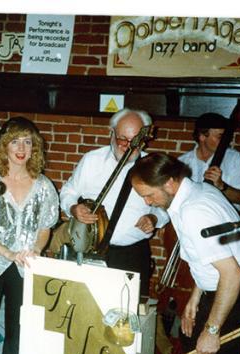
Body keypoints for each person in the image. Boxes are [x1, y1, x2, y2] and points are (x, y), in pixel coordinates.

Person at [129, 152, 240, 354]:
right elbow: (209, 260)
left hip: (237, 294)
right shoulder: (194, 192)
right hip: (222, 289)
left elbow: (232, 274)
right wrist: (194, 297)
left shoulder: (194, 211)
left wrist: (212, 330)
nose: (147, 202)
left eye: (149, 194)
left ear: (169, 182)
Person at [0, 117, 59, 354]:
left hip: (25, 266)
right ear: (4, 145)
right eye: (15, 140)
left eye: (27, 141)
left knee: (17, 332)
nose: (21, 147)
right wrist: (8, 253)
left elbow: (46, 227)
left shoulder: (44, 186)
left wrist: (36, 249)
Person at [59, 108, 167, 299]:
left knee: (126, 314)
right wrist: (73, 208)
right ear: (111, 133)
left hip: (131, 254)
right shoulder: (93, 160)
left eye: (135, 141)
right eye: (122, 139)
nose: (128, 146)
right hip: (90, 251)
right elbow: (68, 191)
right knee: (85, 307)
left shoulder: (152, 167)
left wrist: (154, 217)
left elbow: (168, 207)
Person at [177, 112, 240, 206]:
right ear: (202, 137)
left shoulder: (234, 158)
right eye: (220, 137)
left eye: (226, 137)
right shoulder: (182, 162)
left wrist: (222, 186)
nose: (225, 141)